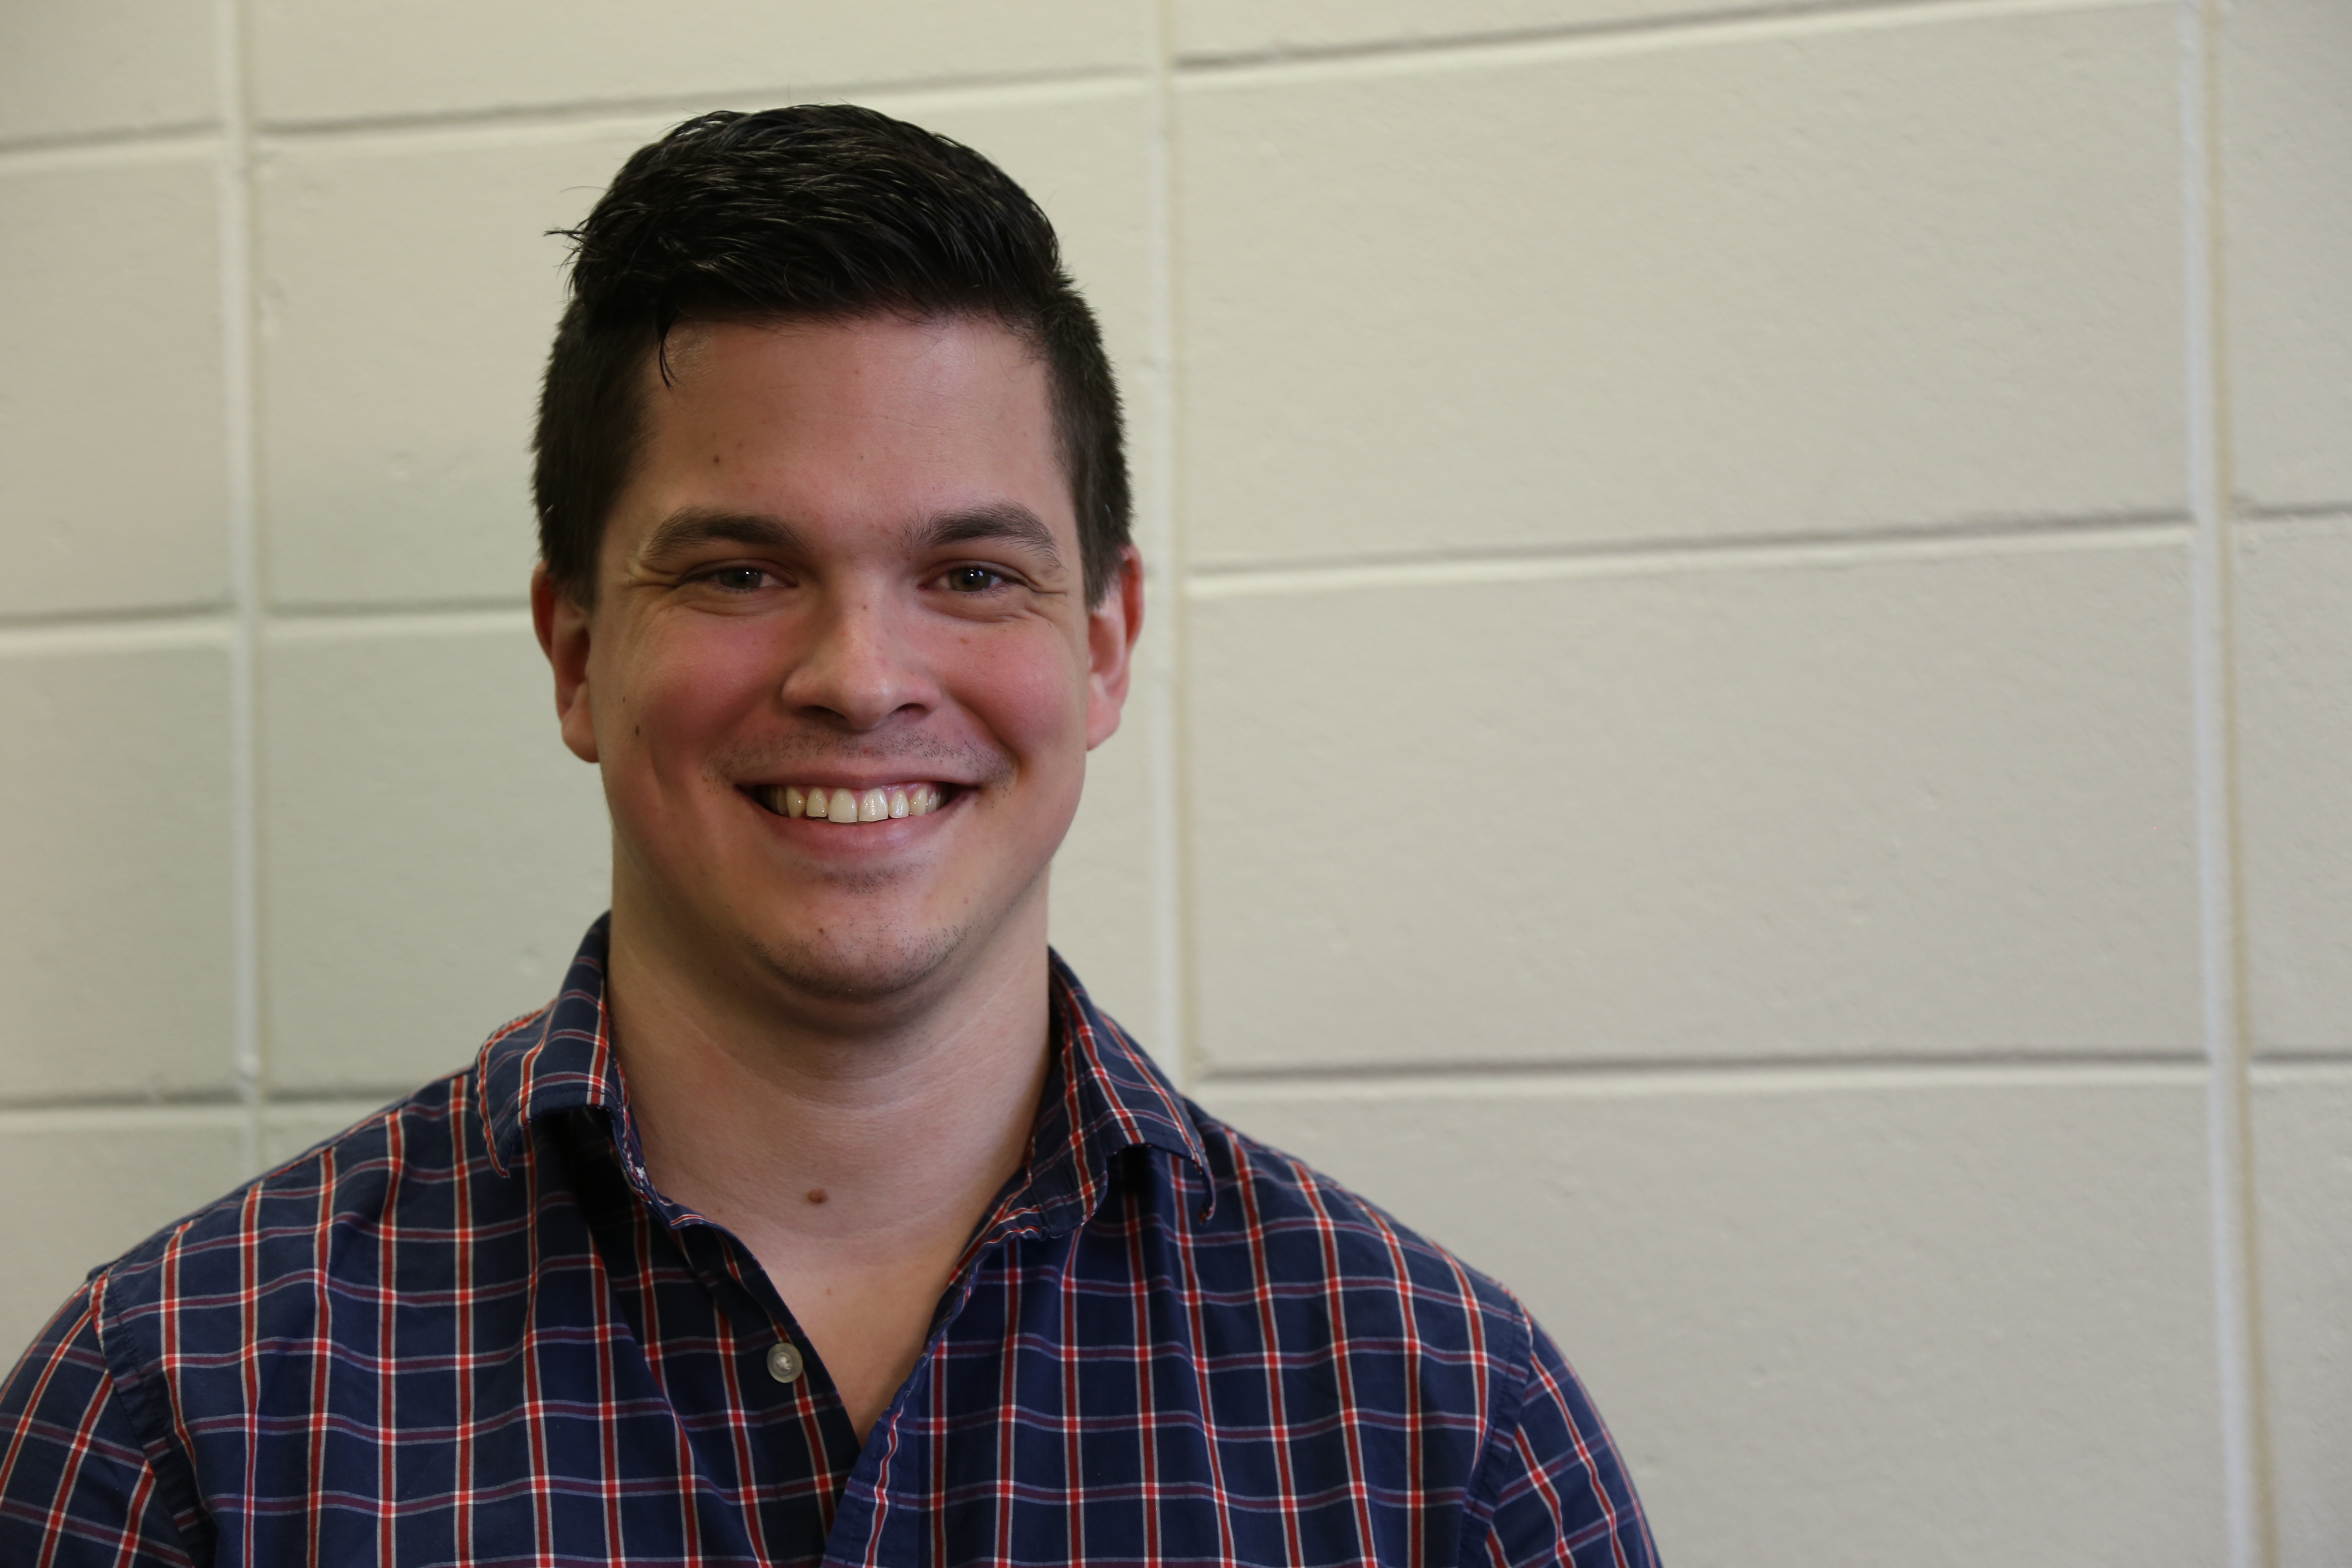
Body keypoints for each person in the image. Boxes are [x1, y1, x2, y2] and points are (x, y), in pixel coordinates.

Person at [0, 105, 1656, 1565]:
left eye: (973, 575)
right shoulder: (175, 1426)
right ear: (576, 653)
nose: (860, 678)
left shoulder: (1444, 1428)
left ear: (1102, 648)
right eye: (740, 572)